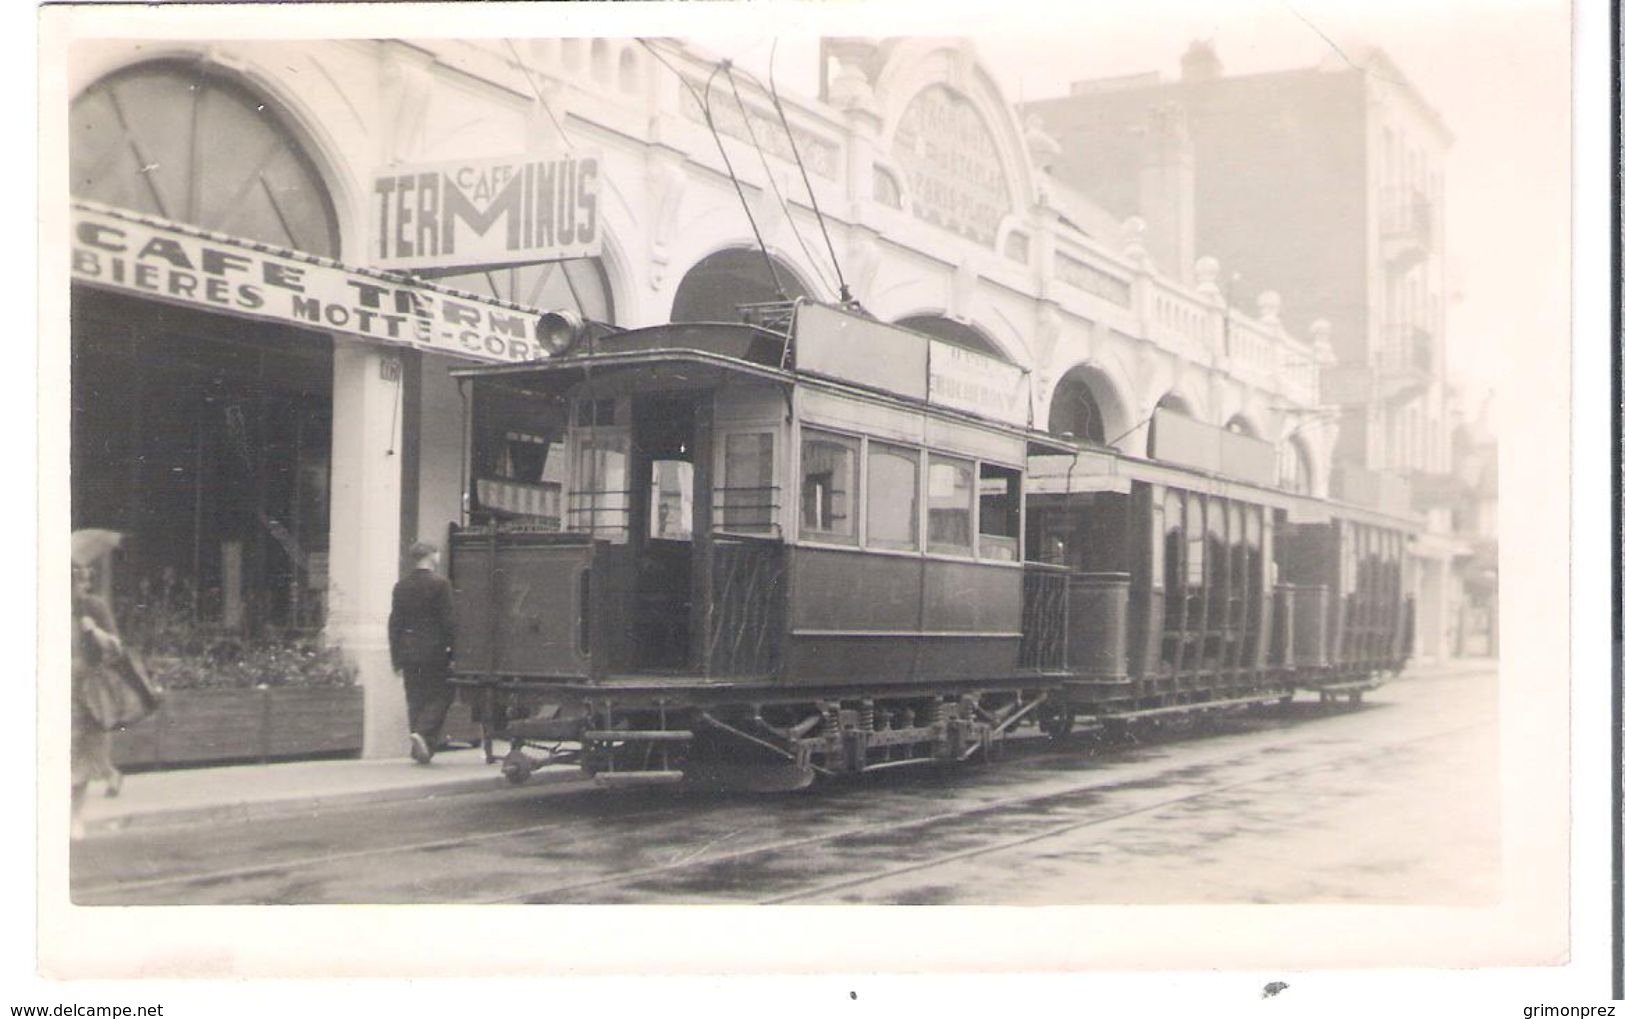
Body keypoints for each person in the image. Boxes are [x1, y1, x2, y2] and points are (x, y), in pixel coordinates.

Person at [388, 541, 456, 764]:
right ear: (431, 556)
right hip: (434, 651)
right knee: (443, 694)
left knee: (415, 697)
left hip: (408, 651)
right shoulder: (441, 584)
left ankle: (420, 750)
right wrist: (453, 649)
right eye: (437, 553)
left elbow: (394, 623)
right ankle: (422, 732)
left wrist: (395, 657)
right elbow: (448, 621)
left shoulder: (401, 586)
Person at [71, 563, 123, 838]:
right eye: (78, 581)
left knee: (80, 758)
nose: (83, 587)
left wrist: (94, 631)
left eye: (84, 581)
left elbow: (117, 647)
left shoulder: (93, 607)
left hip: (86, 693)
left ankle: (74, 817)